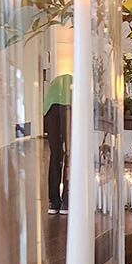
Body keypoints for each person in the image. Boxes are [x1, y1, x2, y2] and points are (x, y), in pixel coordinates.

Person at [44, 73, 72, 214]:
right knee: (69, 153)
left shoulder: (55, 83)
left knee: (55, 154)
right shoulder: (72, 82)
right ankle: (66, 200)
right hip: (68, 106)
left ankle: (53, 202)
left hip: (49, 108)